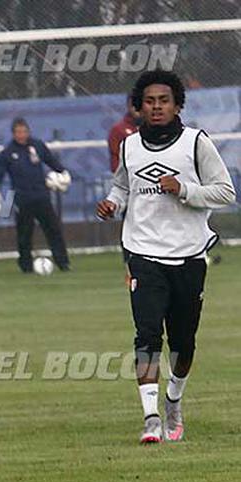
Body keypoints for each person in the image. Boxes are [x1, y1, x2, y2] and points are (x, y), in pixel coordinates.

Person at [96, 71, 235, 444]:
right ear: (139, 107)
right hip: (142, 252)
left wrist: (185, 189)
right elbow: (122, 185)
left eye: (164, 100)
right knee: (147, 335)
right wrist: (113, 203)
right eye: (150, 101)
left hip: (188, 254)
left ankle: (174, 399)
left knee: (184, 343)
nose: (156, 106)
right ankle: (151, 418)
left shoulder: (196, 143)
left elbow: (225, 192)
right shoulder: (129, 146)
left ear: (177, 106)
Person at [0, 118, 71, 273]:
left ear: (28, 131)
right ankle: (26, 266)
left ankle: (63, 263)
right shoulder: (8, 152)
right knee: (24, 234)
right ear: (13, 134)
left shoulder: (37, 145)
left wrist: (63, 172)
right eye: (18, 132)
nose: (21, 135)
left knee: (53, 230)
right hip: (22, 198)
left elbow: (50, 160)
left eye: (24, 131)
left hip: (41, 196)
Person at [108, 94, 142, 173]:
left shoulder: (155, 127)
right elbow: (115, 159)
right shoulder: (118, 130)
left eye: (139, 105)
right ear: (128, 106)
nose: (136, 109)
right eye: (133, 105)